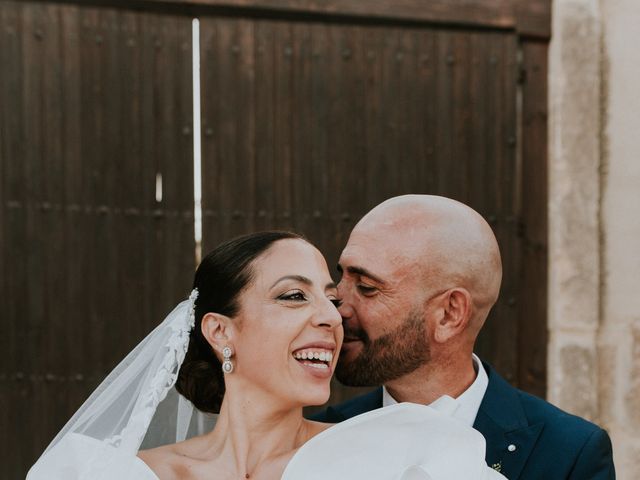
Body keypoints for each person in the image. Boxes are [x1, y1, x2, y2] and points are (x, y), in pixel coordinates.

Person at [28, 230, 505, 480]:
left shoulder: (397, 459)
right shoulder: (113, 476)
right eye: (294, 297)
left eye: (330, 299)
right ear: (220, 332)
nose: (331, 317)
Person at [313, 195, 616, 479]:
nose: (334, 306)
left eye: (366, 287)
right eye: (341, 279)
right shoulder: (323, 433)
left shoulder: (569, 454)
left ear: (449, 313)